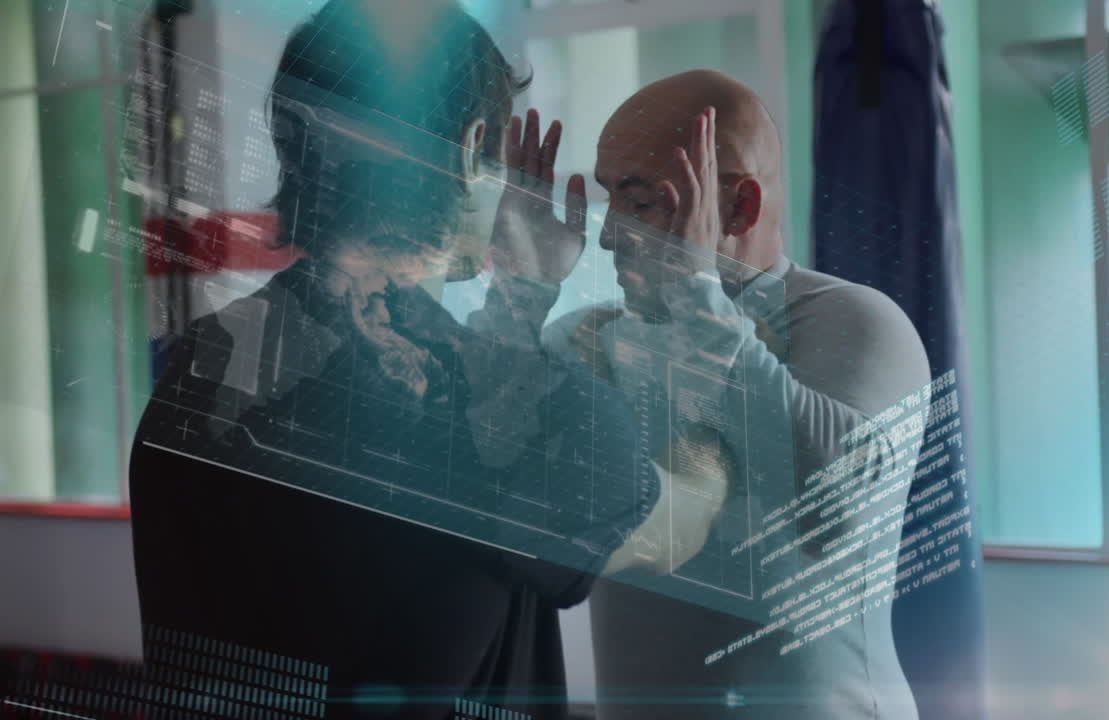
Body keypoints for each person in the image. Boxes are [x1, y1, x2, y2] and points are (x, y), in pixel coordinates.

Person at [128, 3, 725, 718]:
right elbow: (675, 524)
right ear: (472, 148)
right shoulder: (469, 398)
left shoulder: (196, 366)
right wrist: (707, 363)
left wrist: (520, 301)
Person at [543, 70, 931, 719]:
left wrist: (700, 303)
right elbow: (492, 477)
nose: (608, 235)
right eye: (610, 198)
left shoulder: (851, 320)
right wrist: (522, 294)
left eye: (640, 203)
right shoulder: (599, 337)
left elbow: (829, 510)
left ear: (741, 208)